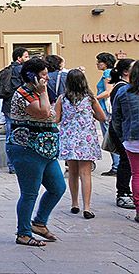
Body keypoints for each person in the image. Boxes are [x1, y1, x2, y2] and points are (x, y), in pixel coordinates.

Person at [6, 56, 65, 247]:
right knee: (30, 193)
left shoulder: (39, 92)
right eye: (43, 75)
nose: (47, 79)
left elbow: (53, 117)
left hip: (46, 150)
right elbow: (44, 112)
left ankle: (39, 223)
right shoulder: (23, 94)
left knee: (58, 187)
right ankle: (23, 232)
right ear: (32, 76)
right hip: (27, 149)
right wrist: (44, 92)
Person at [55, 68, 106, 219]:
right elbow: (102, 117)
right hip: (86, 140)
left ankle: (74, 203)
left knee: (72, 172)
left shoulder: (62, 99)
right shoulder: (90, 98)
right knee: (86, 174)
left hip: (69, 139)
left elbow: (56, 119)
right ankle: (87, 207)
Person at [109, 62, 139, 223]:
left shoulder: (123, 91)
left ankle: (138, 209)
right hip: (129, 137)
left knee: (136, 174)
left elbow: (116, 118)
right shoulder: (122, 89)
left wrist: (123, 136)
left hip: (132, 139)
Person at [0, 47, 29, 174]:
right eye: (26, 56)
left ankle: (11, 165)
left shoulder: (8, 70)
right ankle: (19, 164)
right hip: (18, 107)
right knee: (20, 135)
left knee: (9, 136)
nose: (28, 59)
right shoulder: (21, 70)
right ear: (18, 58)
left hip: (7, 106)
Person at [95, 52, 119, 175]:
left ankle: (116, 166)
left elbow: (108, 91)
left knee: (109, 136)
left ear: (105, 63)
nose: (97, 64)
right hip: (110, 109)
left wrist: (93, 99)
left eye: (99, 61)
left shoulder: (107, 73)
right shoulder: (113, 72)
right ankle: (117, 165)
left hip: (105, 109)